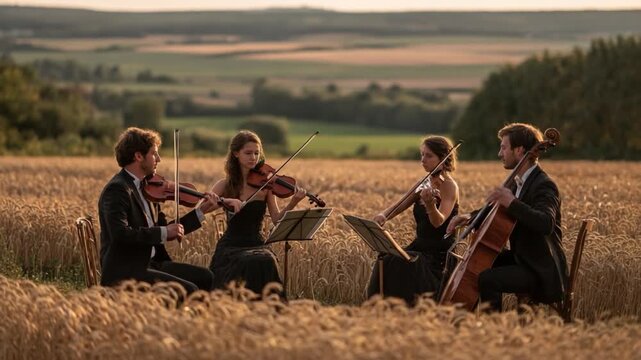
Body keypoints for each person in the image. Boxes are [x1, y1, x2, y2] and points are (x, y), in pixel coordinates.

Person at [446, 123, 568, 311]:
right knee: (479, 264)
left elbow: (546, 223)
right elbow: (496, 210)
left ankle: (494, 329)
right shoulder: (516, 182)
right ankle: (469, 322)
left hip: (540, 268)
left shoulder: (544, 185)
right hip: (523, 258)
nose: (499, 153)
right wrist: (468, 217)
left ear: (519, 150)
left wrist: (511, 202)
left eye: (503, 147)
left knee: (488, 279)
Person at [98, 127, 224, 295]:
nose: (159, 159)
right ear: (138, 156)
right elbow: (120, 234)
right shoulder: (118, 189)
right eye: (154, 153)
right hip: (126, 269)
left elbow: (168, 227)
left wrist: (201, 211)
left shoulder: (147, 188)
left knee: (206, 277)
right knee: (189, 290)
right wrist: (163, 232)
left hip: (152, 263)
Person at [208, 130, 307, 295]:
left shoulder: (266, 186)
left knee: (265, 259)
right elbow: (203, 208)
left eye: (256, 153)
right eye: (248, 153)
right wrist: (224, 201)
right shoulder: (225, 185)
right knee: (253, 261)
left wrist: (293, 202)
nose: (253, 157)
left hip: (257, 243)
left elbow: (277, 219)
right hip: (232, 245)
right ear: (235, 154)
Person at [367, 136, 459, 305]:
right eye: (422, 155)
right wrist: (384, 215)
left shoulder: (449, 186)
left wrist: (430, 205)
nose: (423, 160)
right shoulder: (425, 182)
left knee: (401, 263)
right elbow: (402, 203)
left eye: (429, 156)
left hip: (437, 254)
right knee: (386, 258)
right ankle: (376, 305)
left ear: (443, 158)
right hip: (419, 246)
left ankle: (403, 308)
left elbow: (439, 222)